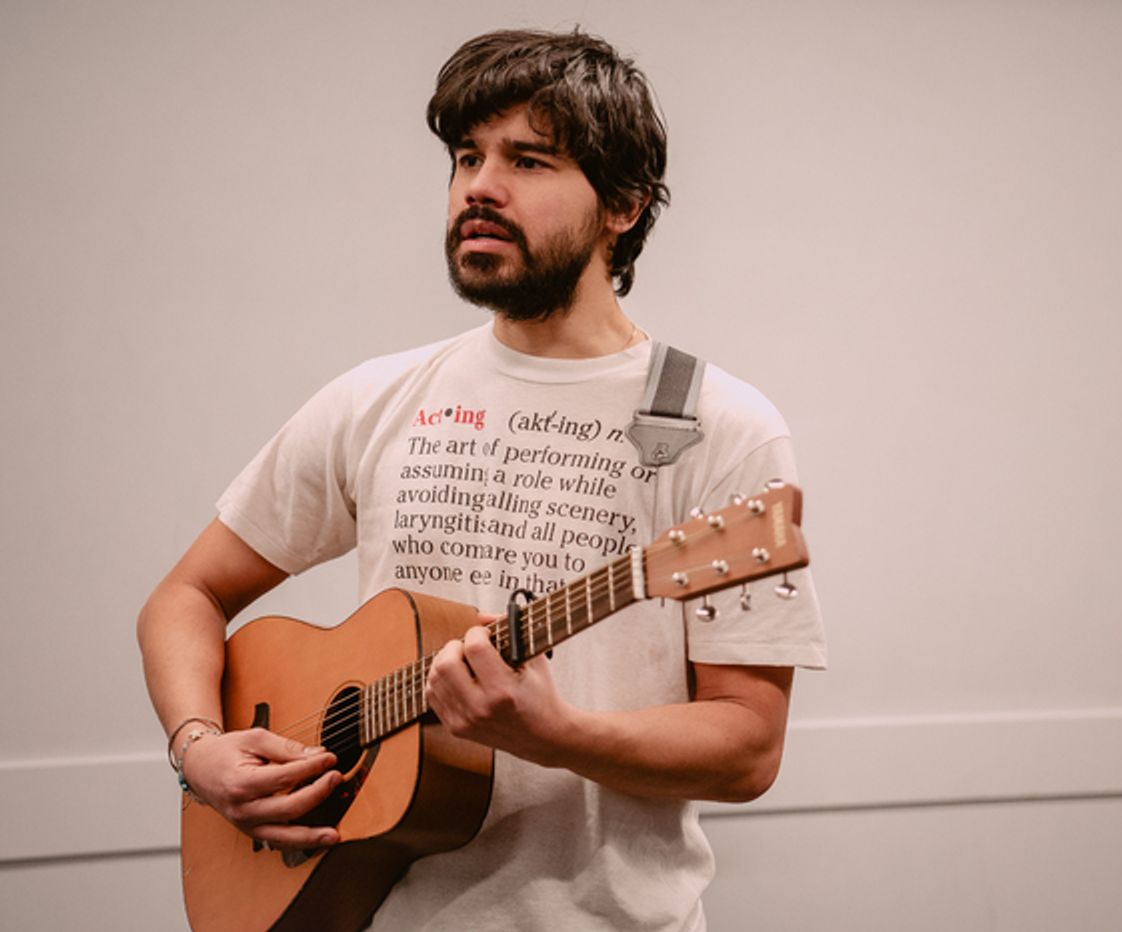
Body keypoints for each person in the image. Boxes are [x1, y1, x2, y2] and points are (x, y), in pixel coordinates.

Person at [138, 28, 825, 931]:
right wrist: (201, 749)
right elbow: (184, 595)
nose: (479, 188)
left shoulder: (717, 426)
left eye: (528, 160)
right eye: (467, 157)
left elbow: (746, 749)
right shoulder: (377, 396)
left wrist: (558, 736)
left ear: (621, 204)